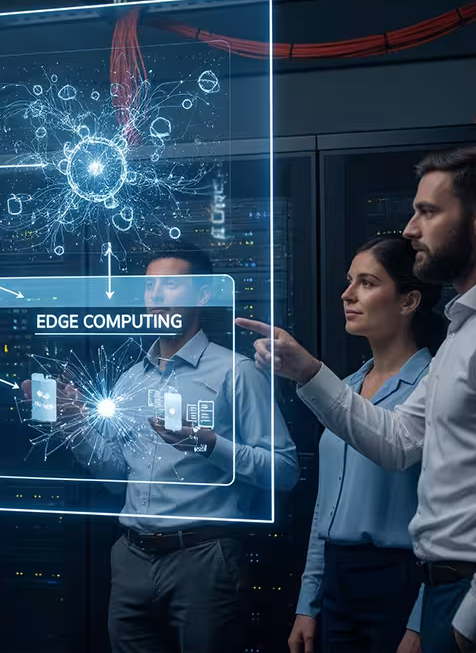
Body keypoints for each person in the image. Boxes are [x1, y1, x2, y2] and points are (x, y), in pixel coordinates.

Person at [239, 145, 476, 653]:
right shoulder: (468, 330)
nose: (410, 228)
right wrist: (308, 372)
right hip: (442, 591)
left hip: (473, 599)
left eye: (427, 212)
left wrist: (469, 626)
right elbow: (398, 440)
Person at [30, 242, 300, 653]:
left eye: (170, 285)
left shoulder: (236, 374)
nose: (156, 295)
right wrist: (74, 423)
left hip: (204, 556)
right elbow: (117, 479)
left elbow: (285, 471)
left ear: (203, 295)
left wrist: (210, 445)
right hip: (131, 558)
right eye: (150, 286)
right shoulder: (128, 380)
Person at [288, 236, 443, 653]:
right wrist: (309, 602)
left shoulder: (434, 387)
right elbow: (327, 507)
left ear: (409, 301)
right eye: (349, 280)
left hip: (401, 581)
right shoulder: (344, 389)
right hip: (338, 581)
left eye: (367, 282)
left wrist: (423, 618)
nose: (347, 294)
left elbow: (445, 514)